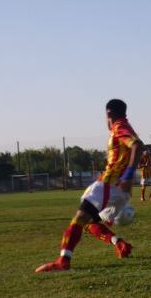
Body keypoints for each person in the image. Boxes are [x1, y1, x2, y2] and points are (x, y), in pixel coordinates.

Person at [35, 99, 142, 272]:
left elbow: (137, 145)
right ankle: (119, 243)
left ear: (108, 114)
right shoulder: (125, 125)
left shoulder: (118, 127)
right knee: (89, 222)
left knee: (78, 219)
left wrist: (128, 176)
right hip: (120, 190)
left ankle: (63, 261)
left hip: (109, 185)